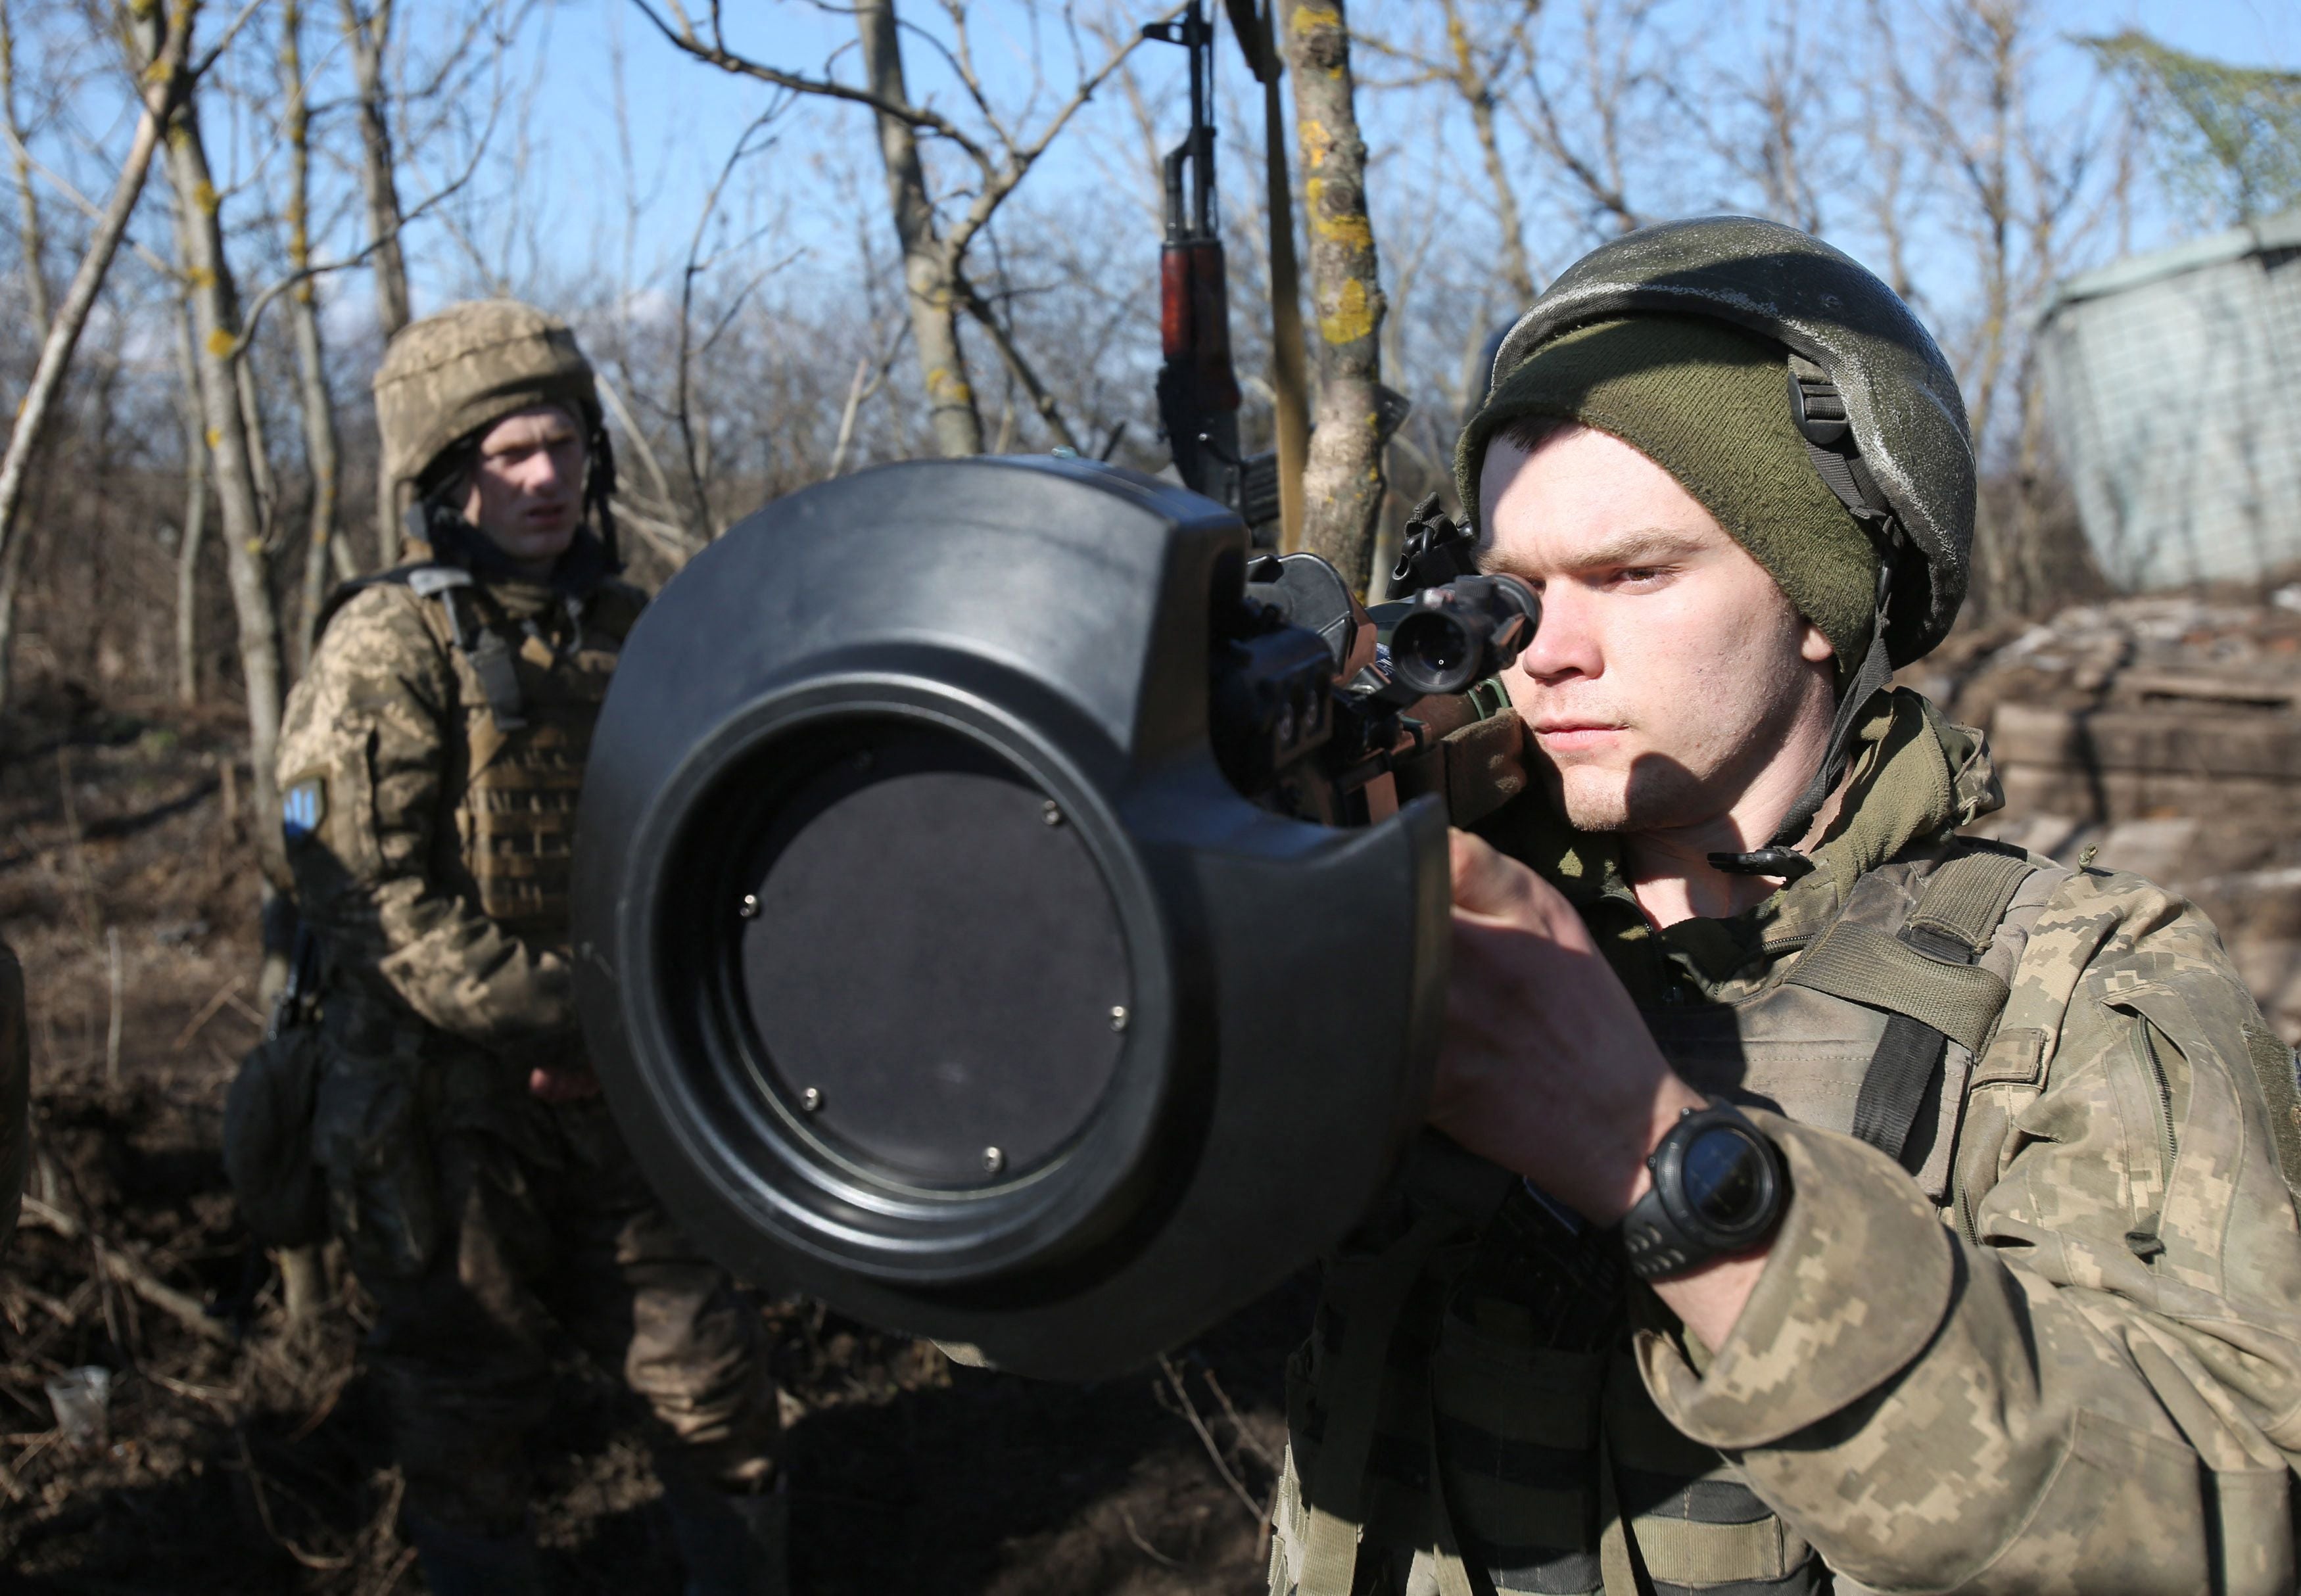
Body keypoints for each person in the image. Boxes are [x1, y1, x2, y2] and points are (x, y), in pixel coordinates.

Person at [1268, 217, 2301, 1596]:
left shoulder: (2070, 992)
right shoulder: (1395, 898)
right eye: (1512, 595)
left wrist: (1650, 1156)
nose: (1552, 650)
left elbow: (2224, 1528)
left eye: (1634, 574)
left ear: (1821, 594)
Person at [275, 301, 784, 1596]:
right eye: (510, 454)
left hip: (628, 1088)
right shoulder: (389, 642)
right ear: (451, 477)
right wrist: (568, 1019)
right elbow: (367, 898)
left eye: (561, 443)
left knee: (715, 1392)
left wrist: (643, 1030)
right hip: (447, 1110)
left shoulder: (636, 626)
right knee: (469, 1419)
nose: (546, 477)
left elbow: (714, 840)